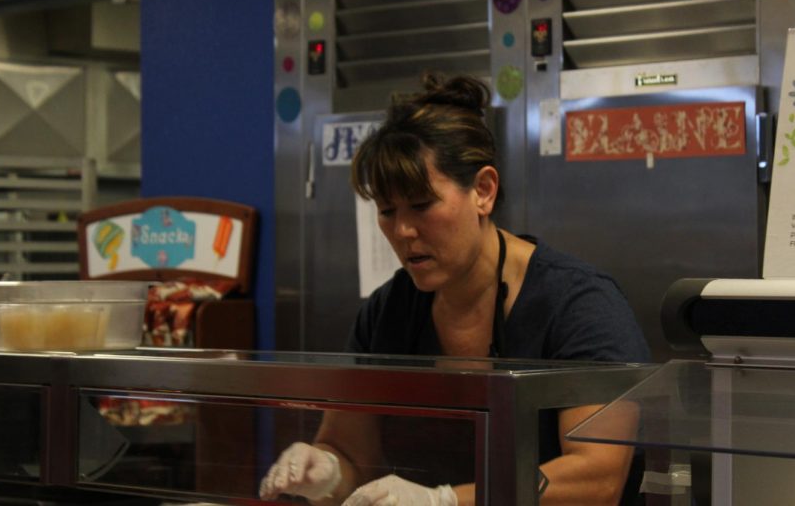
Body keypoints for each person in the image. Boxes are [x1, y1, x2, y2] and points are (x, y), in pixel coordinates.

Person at [260, 73, 650, 505]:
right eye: (387, 211)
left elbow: (596, 479)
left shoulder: (579, 304)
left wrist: (444, 501)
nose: (404, 230)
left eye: (422, 205)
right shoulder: (387, 312)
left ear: (483, 191)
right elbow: (352, 454)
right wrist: (327, 471)